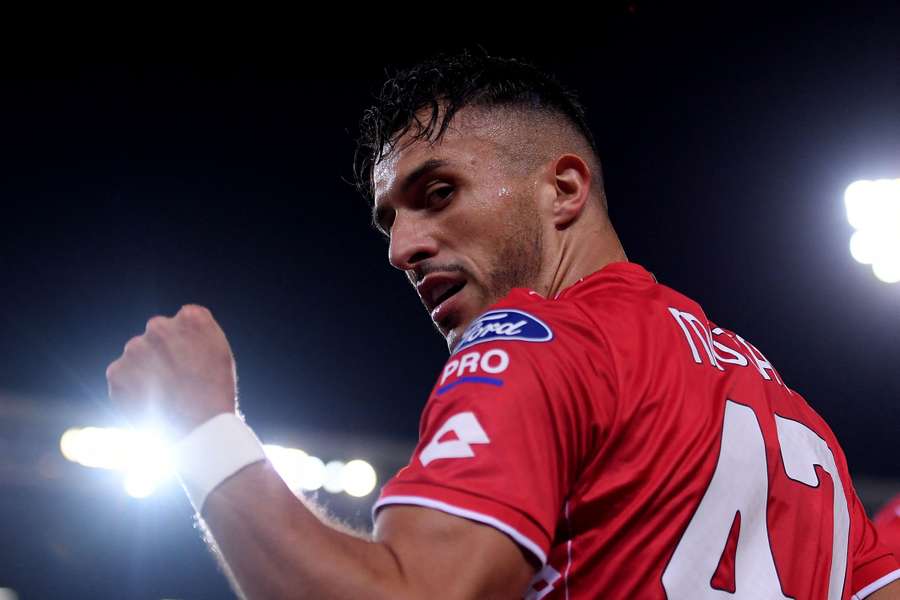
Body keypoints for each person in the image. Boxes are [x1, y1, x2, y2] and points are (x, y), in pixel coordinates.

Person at [106, 50, 900, 599]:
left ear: (562, 189)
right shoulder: (796, 421)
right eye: (388, 220)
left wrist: (202, 429)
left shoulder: (538, 341)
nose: (402, 248)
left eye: (438, 191)